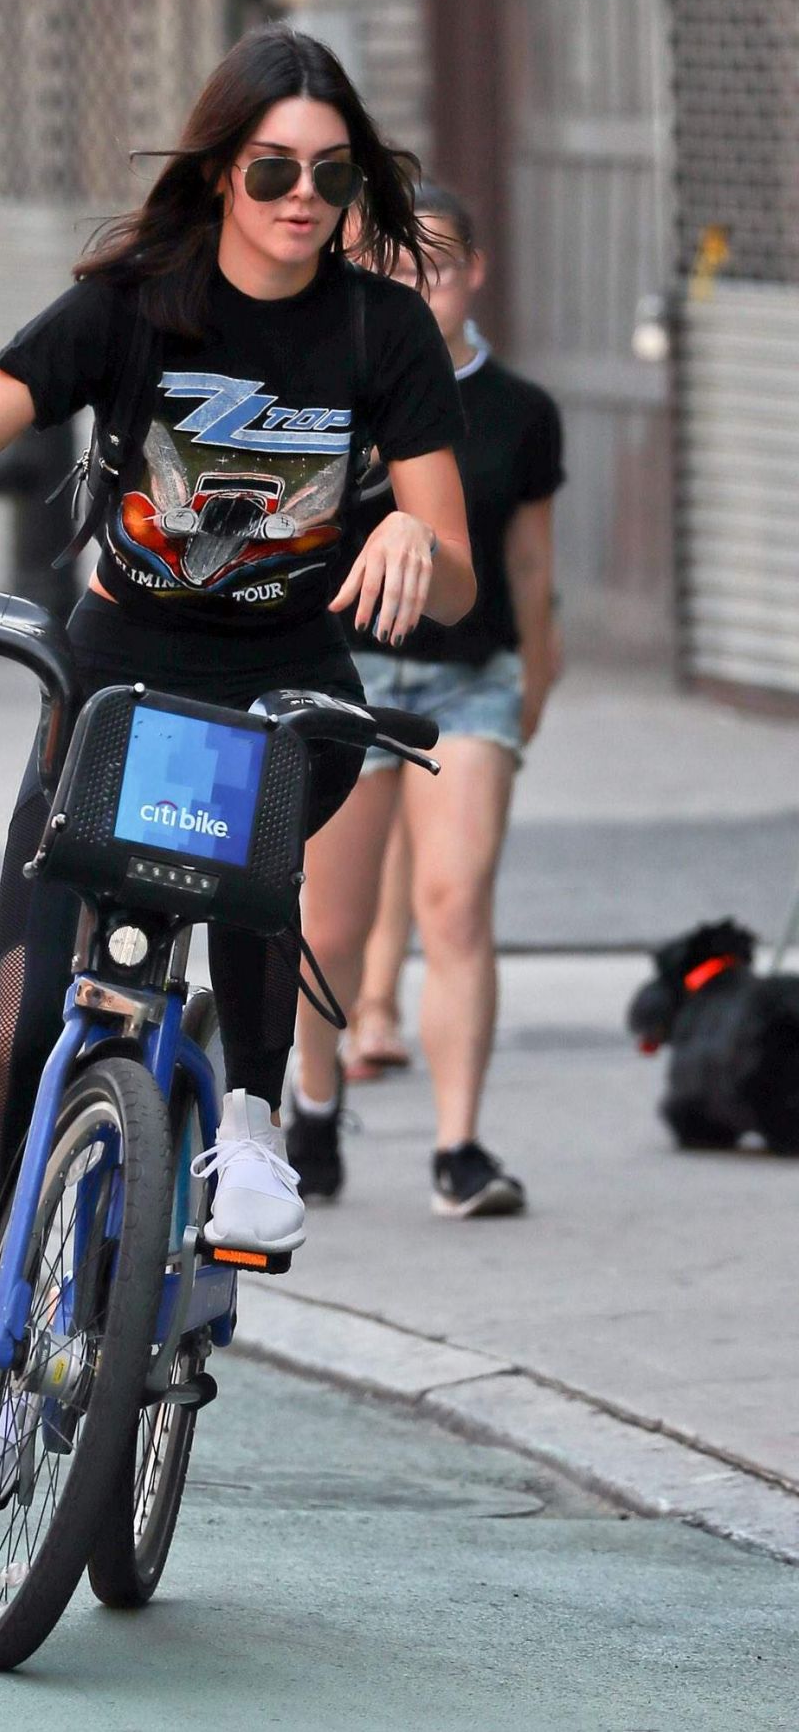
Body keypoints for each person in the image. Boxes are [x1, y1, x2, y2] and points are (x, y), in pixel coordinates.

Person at [0, 25, 475, 1493]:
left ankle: (252, 1118)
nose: (304, 199)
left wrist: (408, 533)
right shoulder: (131, 307)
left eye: (333, 176)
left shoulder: (385, 337)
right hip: (115, 680)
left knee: (255, 805)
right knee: (21, 1028)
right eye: (274, 170)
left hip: (286, 687)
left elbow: (454, 579)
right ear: (219, 171)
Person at [287, 182, 564, 1217]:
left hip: (470, 680)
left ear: (475, 274)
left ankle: (460, 1147)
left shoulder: (520, 409)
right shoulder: (340, 391)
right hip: (345, 675)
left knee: (454, 904)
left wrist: (540, 669)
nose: (421, 289)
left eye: (438, 268)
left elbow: (529, 564)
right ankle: (313, 1104)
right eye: (398, 271)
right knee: (334, 924)